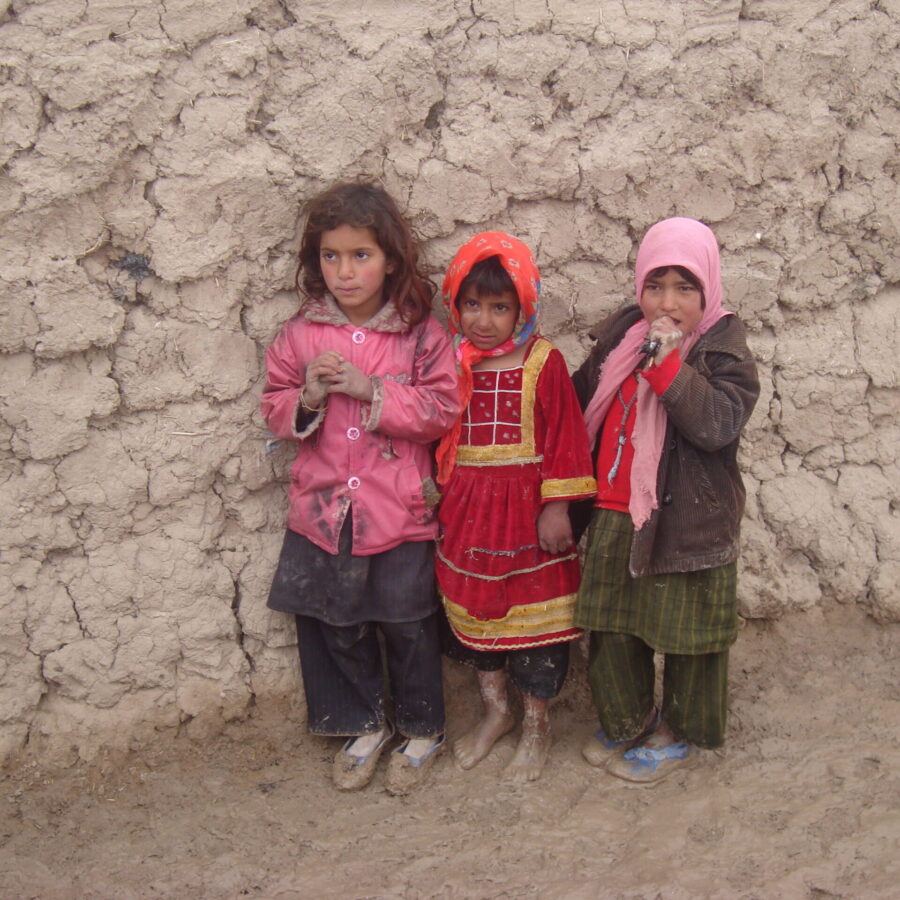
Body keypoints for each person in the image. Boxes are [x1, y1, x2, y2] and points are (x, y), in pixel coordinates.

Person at [261, 181, 460, 794]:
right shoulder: (300, 334)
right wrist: (309, 395)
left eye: (361, 255)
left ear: (391, 260)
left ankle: (422, 728)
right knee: (335, 621)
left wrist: (370, 388)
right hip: (324, 511)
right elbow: (274, 405)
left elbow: (442, 408)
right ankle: (364, 723)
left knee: (407, 622)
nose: (344, 272)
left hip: (397, 509)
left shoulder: (420, 335)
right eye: (331, 256)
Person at [572, 216, 760, 784]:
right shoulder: (622, 339)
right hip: (615, 510)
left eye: (684, 288)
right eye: (655, 286)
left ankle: (682, 733)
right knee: (612, 626)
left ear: (708, 289)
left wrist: (670, 369)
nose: (667, 303)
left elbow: (717, 425)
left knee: (690, 635)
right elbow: (580, 400)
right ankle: (630, 721)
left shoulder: (724, 352)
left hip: (688, 522)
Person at [434, 232, 596, 782]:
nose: (484, 320)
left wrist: (557, 509)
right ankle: (496, 712)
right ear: (454, 303)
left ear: (523, 307)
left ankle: (536, 725)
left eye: (500, 307)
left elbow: (566, 438)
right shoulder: (452, 360)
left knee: (536, 626)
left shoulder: (544, 361)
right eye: (472, 304)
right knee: (478, 615)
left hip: (529, 519)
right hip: (467, 515)